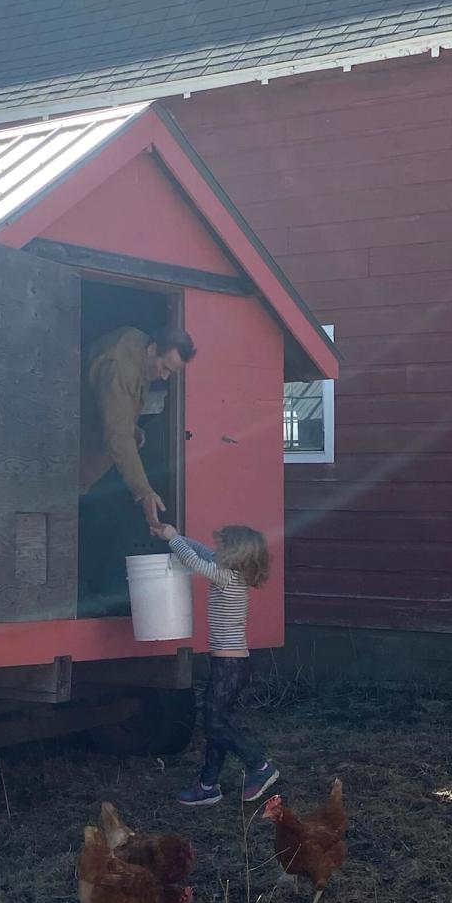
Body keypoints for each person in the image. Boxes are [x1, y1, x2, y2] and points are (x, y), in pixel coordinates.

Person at [152, 522, 280, 807]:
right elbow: (201, 551)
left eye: (223, 546)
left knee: (215, 723)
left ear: (235, 554)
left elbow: (193, 560)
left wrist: (174, 539)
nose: (217, 550)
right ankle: (208, 784)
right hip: (229, 664)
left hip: (230, 666)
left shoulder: (227, 578)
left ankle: (259, 765)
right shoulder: (229, 572)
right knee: (217, 723)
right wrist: (173, 535)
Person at [79, 326, 196, 528]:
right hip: (69, 461)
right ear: (152, 349)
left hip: (90, 461)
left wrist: (132, 428)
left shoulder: (139, 348)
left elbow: (113, 408)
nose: (165, 377)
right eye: (165, 367)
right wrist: (144, 492)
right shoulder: (117, 366)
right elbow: (117, 435)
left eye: (172, 372)